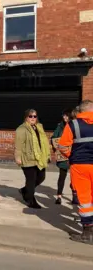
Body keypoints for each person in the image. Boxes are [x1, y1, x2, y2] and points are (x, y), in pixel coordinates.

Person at [59, 100, 93, 244]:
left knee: (85, 200)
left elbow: (62, 146)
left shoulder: (73, 124)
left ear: (81, 111)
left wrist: (70, 156)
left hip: (79, 166)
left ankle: (87, 232)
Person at [15, 109, 50, 209]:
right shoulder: (21, 129)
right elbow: (18, 145)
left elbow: (44, 143)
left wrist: (47, 155)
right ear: (26, 117)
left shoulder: (39, 127)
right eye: (30, 116)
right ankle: (30, 200)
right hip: (27, 158)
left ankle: (24, 190)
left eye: (35, 116)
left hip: (39, 158)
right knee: (31, 180)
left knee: (41, 177)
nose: (33, 118)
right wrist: (18, 157)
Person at [51, 109, 78, 205]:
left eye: (66, 116)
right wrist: (55, 144)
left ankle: (75, 195)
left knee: (74, 178)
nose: (64, 117)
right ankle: (59, 196)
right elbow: (54, 137)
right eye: (63, 116)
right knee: (62, 177)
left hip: (73, 155)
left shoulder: (75, 125)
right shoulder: (60, 126)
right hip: (62, 155)